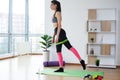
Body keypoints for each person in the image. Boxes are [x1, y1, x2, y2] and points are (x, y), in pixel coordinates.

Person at [50, 0, 86, 72]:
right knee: (58, 51)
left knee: (69, 47)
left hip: (60, 33)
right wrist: (54, 36)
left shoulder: (58, 13)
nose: (50, 6)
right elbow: (55, 27)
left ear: (56, 5)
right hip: (57, 32)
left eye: (51, 5)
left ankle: (81, 60)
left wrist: (57, 36)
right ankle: (61, 68)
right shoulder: (55, 13)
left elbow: (59, 25)